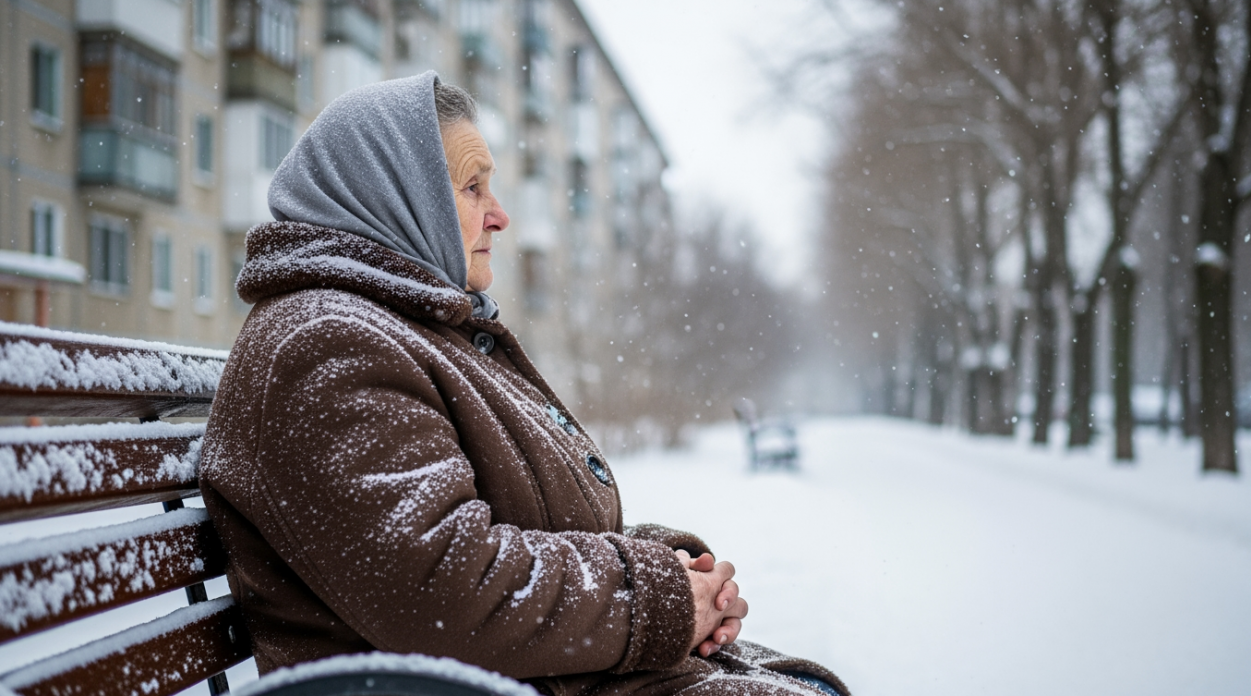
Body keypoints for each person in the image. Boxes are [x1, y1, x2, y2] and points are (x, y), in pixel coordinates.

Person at [200, 72, 847, 696]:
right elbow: (445, 591)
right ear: (397, 196)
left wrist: (675, 576)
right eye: (473, 187)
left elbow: (509, 533)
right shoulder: (324, 347)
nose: (500, 215)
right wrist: (658, 596)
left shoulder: (416, 335)